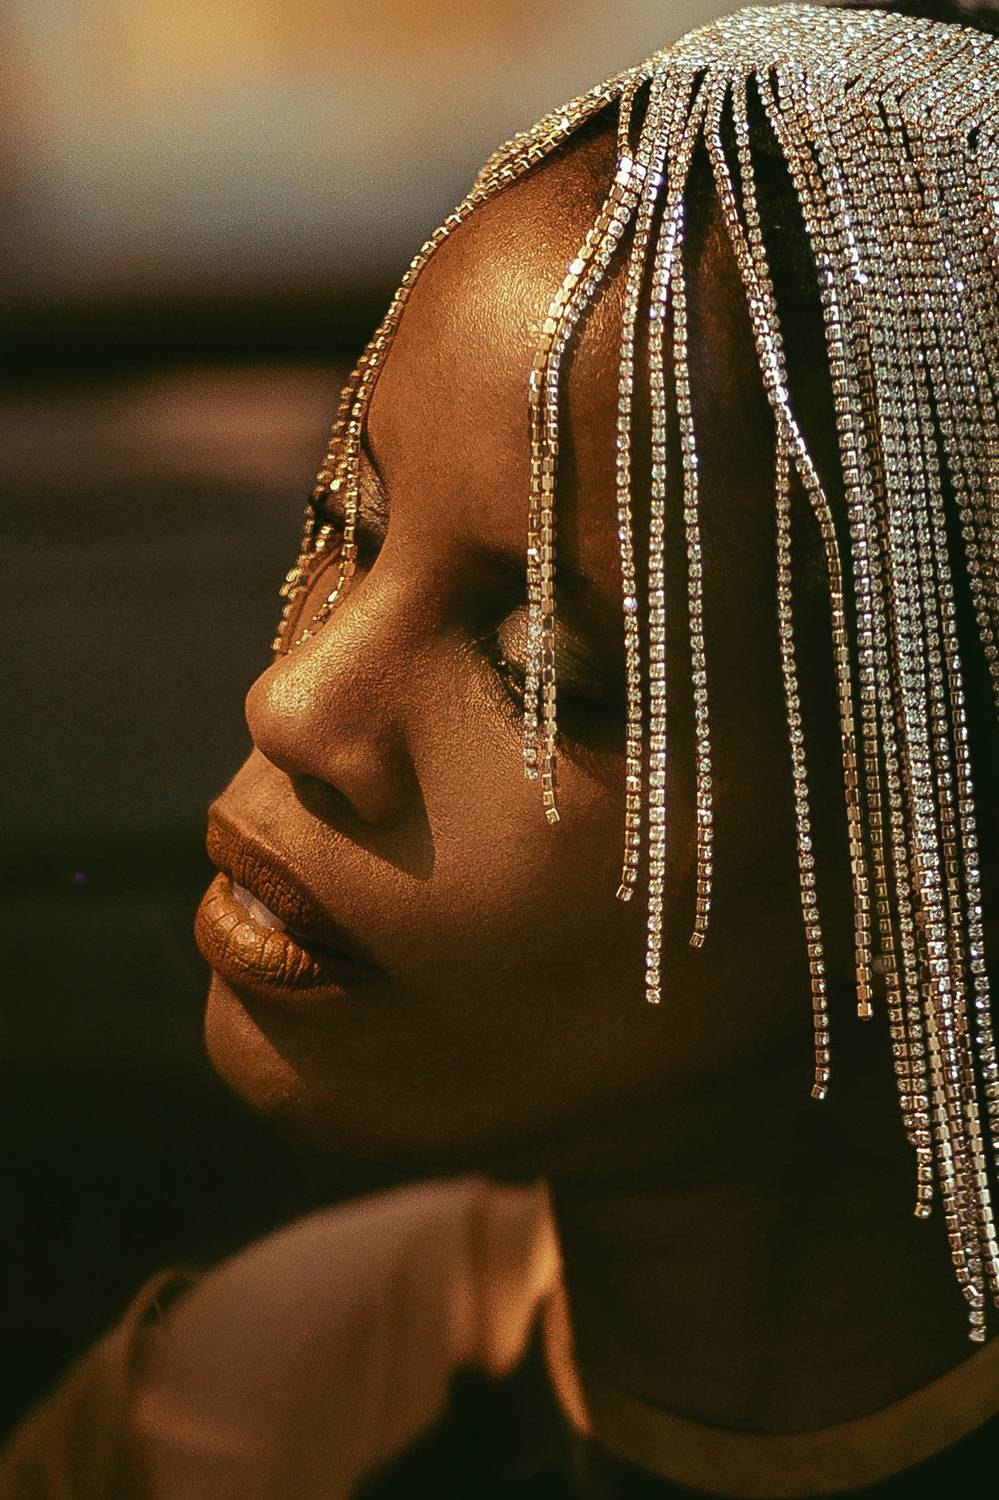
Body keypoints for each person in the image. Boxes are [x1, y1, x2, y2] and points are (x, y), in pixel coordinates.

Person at [3, 1, 999, 1495]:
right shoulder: (206, 1425)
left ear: (935, 852)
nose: (295, 707)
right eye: (349, 525)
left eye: (544, 664)